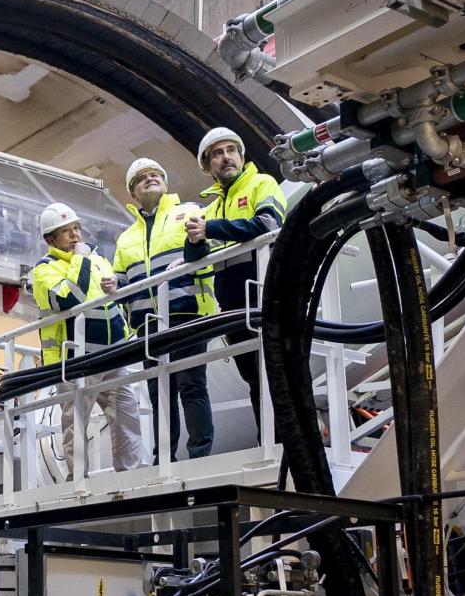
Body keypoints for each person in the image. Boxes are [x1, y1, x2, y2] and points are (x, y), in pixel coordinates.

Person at [184, 126, 289, 429]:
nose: (226, 157)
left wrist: (210, 229)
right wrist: (194, 240)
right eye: (217, 154)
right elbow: (194, 259)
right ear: (208, 166)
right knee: (254, 377)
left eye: (231, 150)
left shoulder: (261, 183)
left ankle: (289, 444)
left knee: (278, 374)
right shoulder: (212, 208)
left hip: (267, 295)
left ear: (242, 157)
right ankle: (267, 440)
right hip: (233, 306)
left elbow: (268, 224)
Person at [31, 202, 147, 473]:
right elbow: (69, 299)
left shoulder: (98, 261)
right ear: (51, 239)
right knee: (76, 421)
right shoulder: (44, 270)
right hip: (76, 358)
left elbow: (112, 301)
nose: (75, 235)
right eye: (65, 231)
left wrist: (115, 286)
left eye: (76, 228)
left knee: (126, 414)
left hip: (112, 354)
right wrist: (80, 259)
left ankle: (129, 472)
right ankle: (78, 479)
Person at [112, 158, 213, 462]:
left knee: (191, 384)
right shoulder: (126, 238)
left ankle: (199, 454)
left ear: (166, 184)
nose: (150, 178)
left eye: (156, 174)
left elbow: (212, 246)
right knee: (159, 393)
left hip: (187, 311)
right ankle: (164, 457)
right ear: (133, 193)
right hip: (149, 324)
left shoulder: (190, 211)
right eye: (142, 177)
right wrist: (112, 285)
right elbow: (121, 279)